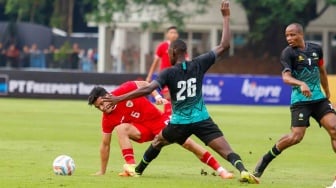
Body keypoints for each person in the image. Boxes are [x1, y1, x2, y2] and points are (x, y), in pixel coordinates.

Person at [102, 0, 259, 184]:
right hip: (202, 119)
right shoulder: (200, 63)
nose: (167, 55)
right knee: (225, 150)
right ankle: (243, 170)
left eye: (169, 52)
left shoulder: (169, 72)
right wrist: (226, 18)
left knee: (158, 142)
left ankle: (138, 170)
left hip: (179, 123)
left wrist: (119, 97)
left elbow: (148, 88)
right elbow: (224, 45)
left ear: (175, 52)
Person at [88, 81, 234, 179]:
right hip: (142, 131)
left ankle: (221, 170)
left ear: (107, 95)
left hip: (159, 122)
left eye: (101, 103)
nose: (102, 108)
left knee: (188, 143)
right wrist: (102, 171)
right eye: (98, 107)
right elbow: (105, 145)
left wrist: (157, 96)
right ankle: (131, 167)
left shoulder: (123, 90)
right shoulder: (107, 119)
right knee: (121, 128)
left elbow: (146, 84)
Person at [253, 23, 336, 179]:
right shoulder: (287, 54)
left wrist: (328, 92)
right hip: (300, 101)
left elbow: (322, 71)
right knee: (296, 137)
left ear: (301, 34)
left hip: (318, 99)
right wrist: (301, 83)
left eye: (292, 35)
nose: (289, 38)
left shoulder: (316, 49)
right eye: (287, 35)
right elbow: (285, 77)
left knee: (334, 129)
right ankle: (265, 159)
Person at [145, 25, 180, 117]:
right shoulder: (162, 46)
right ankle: (168, 118)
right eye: (171, 32)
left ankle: (170, 117)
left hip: (177, 75)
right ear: (167, 35)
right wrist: (149, 76)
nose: (173, 34)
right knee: (168, 96)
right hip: (165, 76)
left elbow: (186, 61)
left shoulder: (180, 47)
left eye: (175, 33)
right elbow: (155, 62)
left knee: (175, 98)